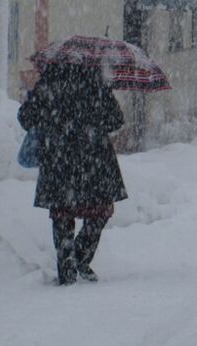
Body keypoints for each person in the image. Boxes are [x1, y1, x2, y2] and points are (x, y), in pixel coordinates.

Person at [18, 63, 126, 285]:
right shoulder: (96, 84)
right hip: (93, 159)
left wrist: (47, 115)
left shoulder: (47, 84)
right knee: (99, 211)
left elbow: (26, 118)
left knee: (62, 213)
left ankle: (66, 267)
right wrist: (92, 122)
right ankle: (81, 256)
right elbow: (116, 120)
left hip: (58, 158)